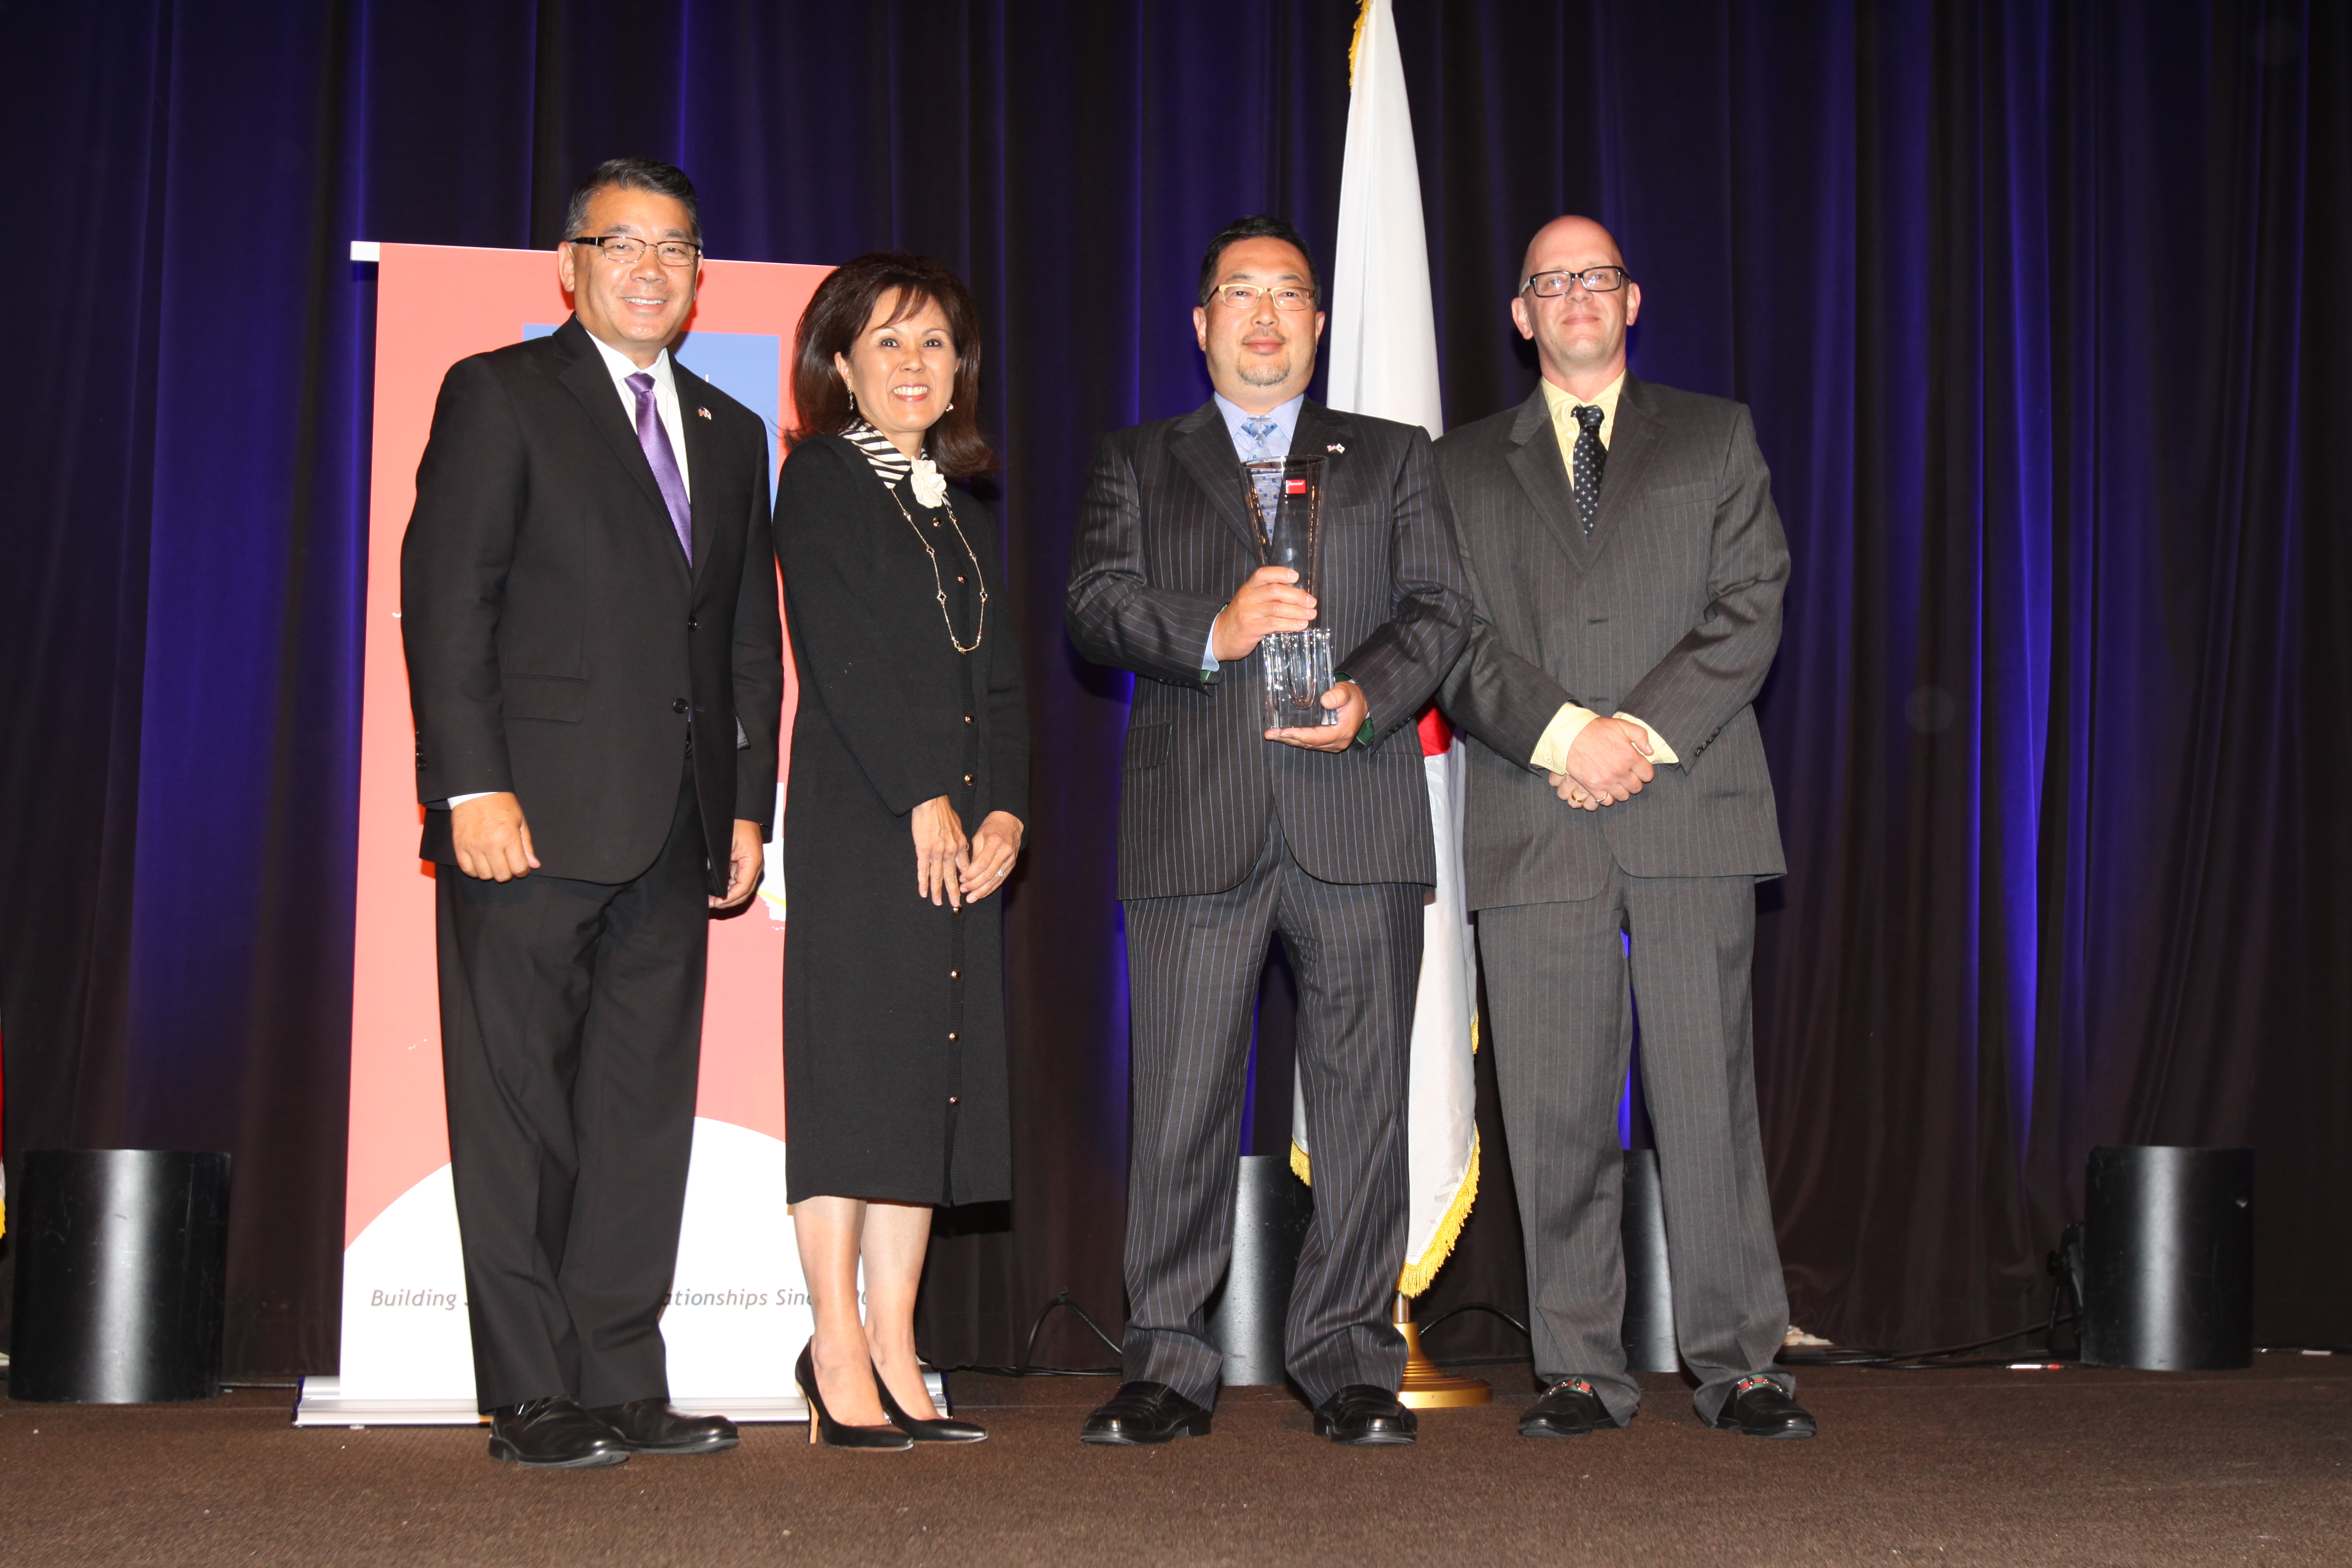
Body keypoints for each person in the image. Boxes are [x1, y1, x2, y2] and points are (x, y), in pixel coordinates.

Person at [400, 157, 784, 1468]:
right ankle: (528, 1392)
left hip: (678, 828)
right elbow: (450, 601)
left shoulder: (733, 432)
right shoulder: (502, 394)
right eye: (621, 244)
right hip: (529, 814)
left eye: (674, 248)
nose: (649, 268)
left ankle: (621, 1376)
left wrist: (746, 808)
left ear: (695, 276)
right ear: (569, 266)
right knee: (518, 1111)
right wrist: (469, 782)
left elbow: (740, 637)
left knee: (637, 1112)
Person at [1065, 215, 1470, 1448]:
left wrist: (1371, 696)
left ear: (1319, 322)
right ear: (1200, 326)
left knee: (1362, 1107)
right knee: (1181, 1102)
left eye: (1287, 294)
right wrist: (1214, 631)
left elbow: (1443, 609)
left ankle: (1351, 1360)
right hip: (1196, 825)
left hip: (1356, 816)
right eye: (1238, 293)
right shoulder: (1137, 459)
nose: (1263, 316)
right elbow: (1093, 606)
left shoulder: (1396, 456)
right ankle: (1168, 1364)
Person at [1434, 214, 1811, 1440]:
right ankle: (1582, 1369)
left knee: (1708, 1095)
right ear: (1521, 314)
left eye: (1596, 276)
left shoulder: (1715, 436)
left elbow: (1752, 602)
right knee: (1553, 1108)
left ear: (1633, 300)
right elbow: (1450, 634)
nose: (1577, 295)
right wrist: (1562, 737)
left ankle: (1741, 1364)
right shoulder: (1457, 465)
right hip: (1534, 809)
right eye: (1551, 280)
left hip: (1688, 806)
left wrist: (1634, 736)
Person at [773, 253, 1027, 1450]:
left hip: (961, 834)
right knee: (853, 1082)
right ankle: (834, 1346)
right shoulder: (819, 478)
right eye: (890, 343)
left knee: (925, 1085)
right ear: (841, 364)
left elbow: (1008, 684)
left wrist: (1005, 813)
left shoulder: (963, 507)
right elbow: (843, 655)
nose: (917, 364)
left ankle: (895, 1342)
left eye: (935, 345)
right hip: (867, 819)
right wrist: (923, 797)